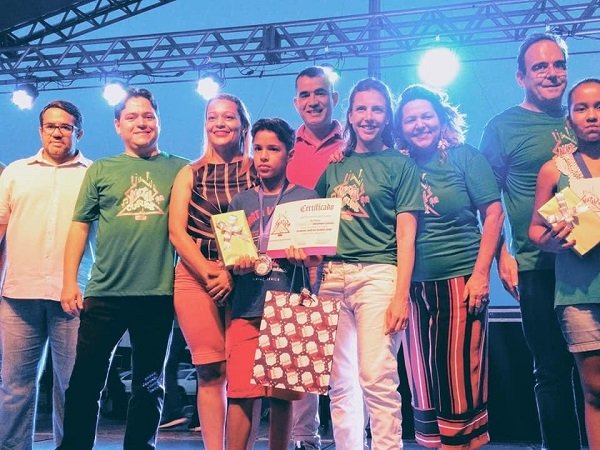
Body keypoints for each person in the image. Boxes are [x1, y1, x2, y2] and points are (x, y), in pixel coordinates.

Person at [57, 88, 187, 450]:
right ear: (117, 125)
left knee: (149, 386)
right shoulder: (101, 169)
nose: (141, 123)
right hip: (104, 294)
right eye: (131, 117)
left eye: (148, 116)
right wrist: (69, 281)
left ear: (158, 121)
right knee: (84, 383)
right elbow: (79, 226)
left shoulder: (181, 169)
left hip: (157, 295)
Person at [480, 32, 581, 449]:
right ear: (521, 76)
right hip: (536, 267)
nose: (551, 73)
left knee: (594, 370)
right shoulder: (502, 127)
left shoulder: (583, 117)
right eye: (540, 66)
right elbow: (489, 202)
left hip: (590, 266)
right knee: (551, 370)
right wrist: (502, 254)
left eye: (558, 64)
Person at [315, 78, 422, 450]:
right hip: (332, 277)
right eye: (361, 108)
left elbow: (406, 236)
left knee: (377, 377)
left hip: (379, 276)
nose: (368, 116)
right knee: (339, 383)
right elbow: (313, 222)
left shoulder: (400, 165)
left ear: (387, 116)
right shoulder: (335, 166)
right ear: (349, 115)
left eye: (377, 109)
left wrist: (400, 296)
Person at [395, 85, 504, 449]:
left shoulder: (464, 157)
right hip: (413, 287)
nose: (420, 124)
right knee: (423, 383)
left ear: (441, 119)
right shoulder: (400, 164)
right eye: (410, 119)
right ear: (400, 127)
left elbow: (494, 214)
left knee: (458, 381)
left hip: (460, 282)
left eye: (427, 116)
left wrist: (481, 274)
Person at [0, 101, 93, 450]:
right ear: (40, 131)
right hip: (17, 294)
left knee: (73, 387)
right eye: (50, 126)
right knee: (14, 387)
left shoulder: (93, 174)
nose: (57, 132)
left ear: (79, 132)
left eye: (65, 126)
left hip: (73, 295)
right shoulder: (15, 173)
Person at [169, 93, 259, 450]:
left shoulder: (256, 169)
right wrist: (208, 270)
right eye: (213, 117)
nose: (220, 123)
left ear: (243, 125)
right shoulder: (189, 173)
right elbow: (177, 231)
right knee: (210, 370)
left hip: (249, 279)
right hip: (196, 278)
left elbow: (265, 223)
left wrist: (231, 272)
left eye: (229, 117)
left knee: (245, 377)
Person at [226, 117, 322, 450]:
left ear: (290, 154)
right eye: (258, 149)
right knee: (240, 394)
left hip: (290, 306)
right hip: (247, 307)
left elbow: (317, 259)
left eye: (273, 149)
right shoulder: (240, 202)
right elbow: (230, 259)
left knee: (281, 398)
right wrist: (237, 264)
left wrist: (305, 257)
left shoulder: (307, 199)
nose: (264, 156)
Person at [529, 78, 600, 450]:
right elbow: (535, 230)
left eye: (599, 106)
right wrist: (552, 241)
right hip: (579, 292)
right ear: (569, 119)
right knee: (595, 390)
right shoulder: (554, 170)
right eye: (582, 108)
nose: (592, 115)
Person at [287, 65, 344, 450]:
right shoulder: (286, 146)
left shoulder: (353, 143)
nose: (313, 101)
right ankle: (304, 441)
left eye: (320, 93)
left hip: (343, 265)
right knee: (299, 363)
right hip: (294, 267)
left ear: (333, 98)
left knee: (345, 368)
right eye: (305, 95)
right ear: (296, 103)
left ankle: (353, 439)